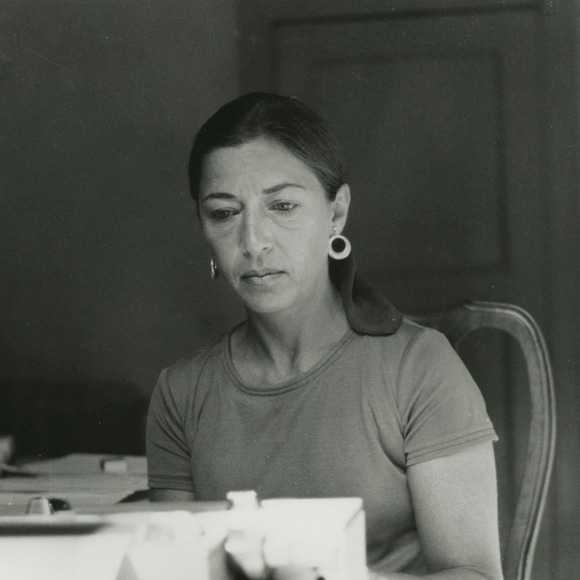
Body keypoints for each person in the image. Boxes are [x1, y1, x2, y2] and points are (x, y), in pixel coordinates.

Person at [146, 92, 503, 579]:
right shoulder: (181, 393)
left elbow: (476, 575)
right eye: (224, 213)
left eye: (283, 206)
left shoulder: (418, 368)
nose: (253, 242)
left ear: (336, 214)